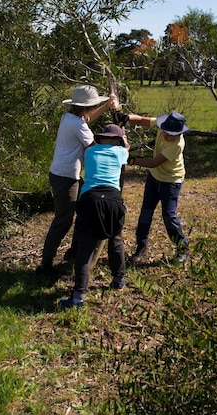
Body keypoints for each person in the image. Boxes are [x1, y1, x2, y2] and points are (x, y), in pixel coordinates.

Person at [38, 85, 118, 276]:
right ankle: (45, 265)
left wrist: (107, 106)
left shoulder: (70, 118)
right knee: (63, 221)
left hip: (63, 174)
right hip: (66, 178)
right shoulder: (78, 125)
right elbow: (95, 148)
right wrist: (120, 146)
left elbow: (88, 119)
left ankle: (72, 252)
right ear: (87, 107)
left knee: (83, 211)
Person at [59, 124, 129, 309]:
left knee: (85, 248)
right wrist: (124, 138)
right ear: (118, 140)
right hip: (113, 200)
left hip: (90, 199)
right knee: (115, 240)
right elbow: (126, 149)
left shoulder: (90, 152)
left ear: (100, 138)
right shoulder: (121, 153)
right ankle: (119, 279)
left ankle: (78, 296)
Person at [123, 110, 190, 265]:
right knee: (146, 212)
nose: (166, 135)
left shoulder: (178, 144)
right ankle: (141, 247)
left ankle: (182, 248)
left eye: (171, 134)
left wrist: (131, 160)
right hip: (154, 177)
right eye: (165, 132)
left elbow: (153, 163)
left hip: (171, 181)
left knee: (169, 216)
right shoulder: (162, 125)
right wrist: (127, 118)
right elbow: (140, 120)